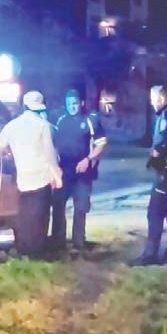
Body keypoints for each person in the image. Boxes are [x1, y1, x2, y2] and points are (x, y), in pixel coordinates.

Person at [0, 90, 62, 258]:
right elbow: (49, 153)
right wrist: (57, 175)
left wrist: (10, 150)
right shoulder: (43, 126)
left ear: (24, 106)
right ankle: (36, 252)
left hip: (23, 178)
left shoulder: (13, 126)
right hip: (42, 178)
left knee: (25, 216)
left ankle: (24, 249)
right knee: (40, 217)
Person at [131, 85, 167, 266]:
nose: (151, 102)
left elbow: (162, 144)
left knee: (155, 212)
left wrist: (157, 156)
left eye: (153, 98)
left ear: (162, 99)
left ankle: (151, 255)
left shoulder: (166, 117)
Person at [51, 89, 108, 253]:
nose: (72, 107)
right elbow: (51, 143)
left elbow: (101, 144)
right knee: (58, 206)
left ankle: (78, 242)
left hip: (83, 172)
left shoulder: (90, 120)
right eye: (69, 104)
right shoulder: (59, 120)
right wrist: (54, 165)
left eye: (75, 103)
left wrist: (88, 159)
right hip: (63, 170)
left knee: (81, 208)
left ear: (81, 103)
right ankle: (58, 242)